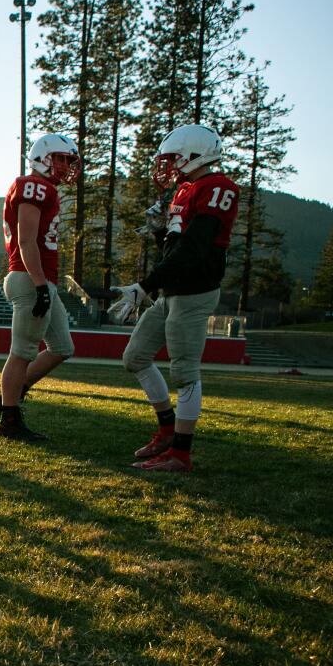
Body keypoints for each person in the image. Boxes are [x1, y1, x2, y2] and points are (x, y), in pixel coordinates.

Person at [109, 124, 239, 473]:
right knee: (135, 357)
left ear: (195, 153)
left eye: (172, 158)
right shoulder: (186, 189)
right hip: (173, 291)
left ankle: (181, 454)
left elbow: (194, 250)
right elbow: (175, 250)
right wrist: (158, 233)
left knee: (184, 372)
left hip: (194, 292)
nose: (167, 165)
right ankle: (168, 430)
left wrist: (145, 286)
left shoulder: (217, 187)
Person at [0, 134, 80, 440]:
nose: (66, 165)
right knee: (22, 352)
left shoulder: (45, 188)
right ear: (42, 156)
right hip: (30, 279)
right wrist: (40, 285)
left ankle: (9, 397)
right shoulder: (35, 186)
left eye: (69, 160)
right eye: (61, 158)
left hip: (39, 279)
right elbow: (26, 240)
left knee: (62, 348)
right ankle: (9, 420)